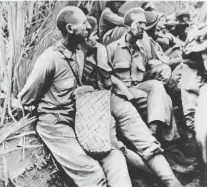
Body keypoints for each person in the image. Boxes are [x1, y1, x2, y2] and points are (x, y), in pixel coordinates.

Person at [18, 6, 132, 187]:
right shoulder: (50, 60)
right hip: (55, 126)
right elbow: (26, 98)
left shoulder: (79, 53)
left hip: (77, 121)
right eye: (84, 23)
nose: (88, 27)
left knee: (115, 157)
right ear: (70, 29)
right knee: (92, 174)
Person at [81, 16, 187, 187]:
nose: (95, 38)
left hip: (112, 97)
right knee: (115, 147)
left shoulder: (101, 50)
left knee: (144, 137)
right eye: (91, 35)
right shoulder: (76, 55)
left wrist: (126, 92)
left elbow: (109, 80)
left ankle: (172, 181)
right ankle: (150, 176)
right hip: (91, 107)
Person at [107, 8, 179, 143]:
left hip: (139, 87)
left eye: (144, 24)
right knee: (166, 100)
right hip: (121, 92)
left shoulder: (142, 50)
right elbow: (107, 75)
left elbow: (145, 73)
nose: (142, 27)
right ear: (127, 28)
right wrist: (123, 89)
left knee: (159, 88)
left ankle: (154, 129)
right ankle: (169, 143)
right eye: (138, 23)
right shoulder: (112, 49)